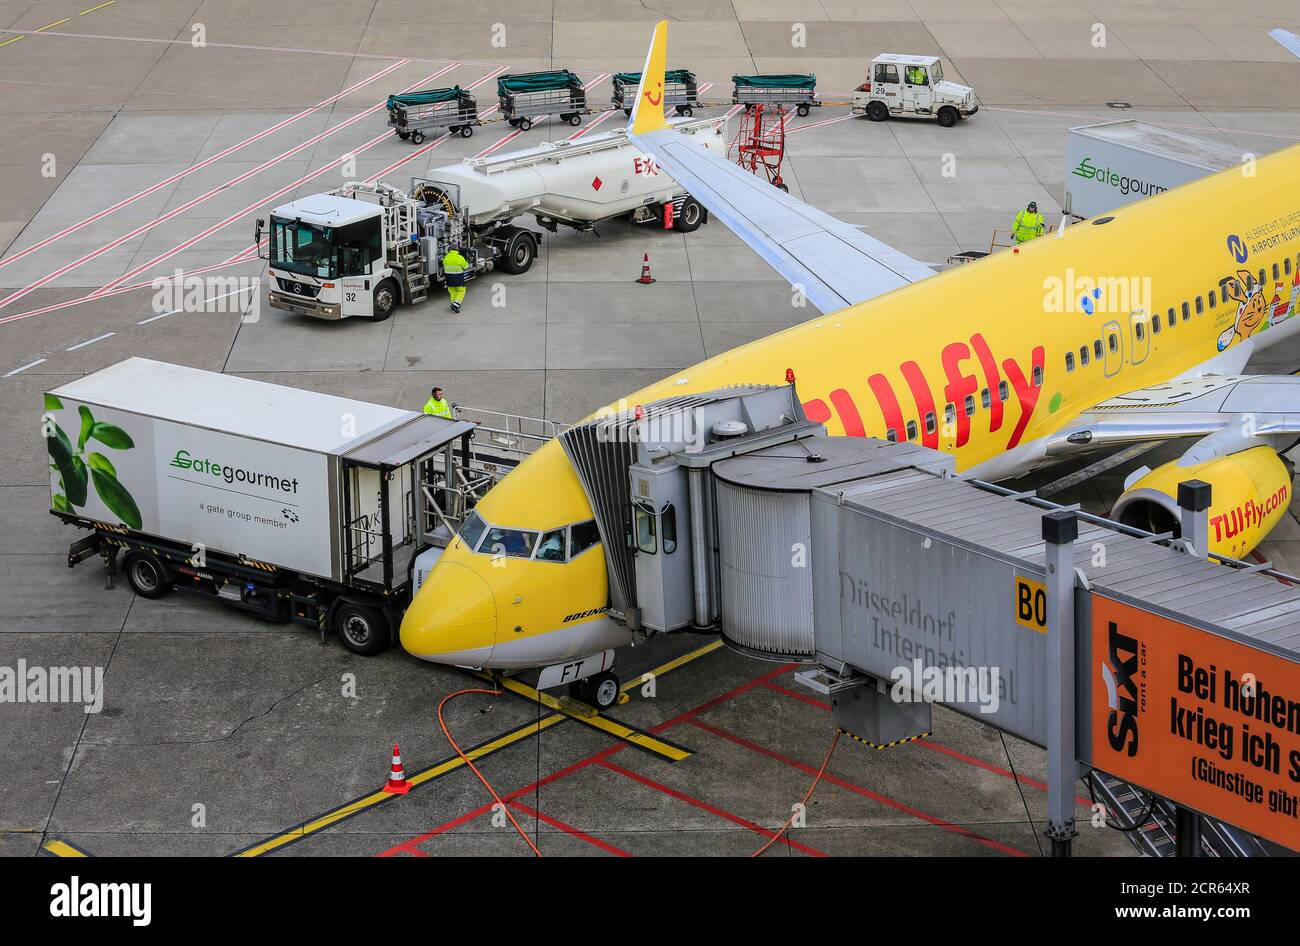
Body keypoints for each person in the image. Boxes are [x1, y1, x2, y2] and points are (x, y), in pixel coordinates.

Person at [442, 245, 469, 313]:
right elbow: (466, 266)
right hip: (458, 278)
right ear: (457, 250)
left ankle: (453, 304)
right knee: (461, 291)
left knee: (452, 291)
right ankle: (456, 304)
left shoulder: (445, 258)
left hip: (448, 278)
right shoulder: (459, 257)